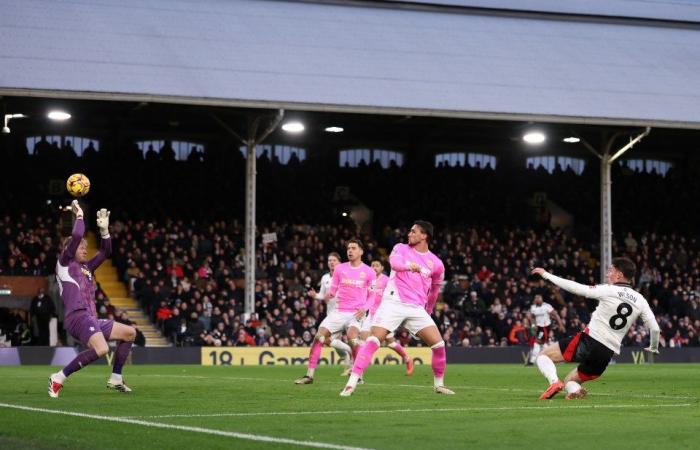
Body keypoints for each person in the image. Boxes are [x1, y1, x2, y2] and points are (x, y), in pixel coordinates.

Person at [340, 220, 453, 396]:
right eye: (410, 231)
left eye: (414, 231)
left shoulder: (436, 264)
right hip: (393, 302)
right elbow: (395, 264)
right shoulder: (400, 248)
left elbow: (435, 291)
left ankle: (439, 385)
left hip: (416, 308)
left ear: (424, 235)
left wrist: (428, 310)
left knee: (438, 344)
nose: (409, 234)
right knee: (374, 340)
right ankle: (352, 382)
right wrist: (410, 266)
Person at [531, 257, 660, 400]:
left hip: (590, 340)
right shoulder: (641, 299)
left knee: (543, 356)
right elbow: (655, 328)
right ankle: (575, 390)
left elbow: (576, 288)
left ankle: (554, 383)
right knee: (570, 380)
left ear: (619, 275)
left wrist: (546, 275)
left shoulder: (608, 290)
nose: (607, 274)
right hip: (607, 353)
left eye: (611, 270)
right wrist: (653, 347)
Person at [48, 200, 137, 398]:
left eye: (86, 247)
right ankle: (58, 377)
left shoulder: (87, 268)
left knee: (130, 333)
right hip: (77, 317)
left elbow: (106, 251)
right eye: (81, 247)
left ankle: (115, 377)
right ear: (70, 248)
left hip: (91, 318)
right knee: (102, 348)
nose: (85, 250)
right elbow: (78, 234)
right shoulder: (64, 263)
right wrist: (79, 215)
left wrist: (105, 232)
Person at [295, 240, 375, 384]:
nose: (350, 251)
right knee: (319, 337)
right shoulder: (340, 269)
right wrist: (319, 296)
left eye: (353, 248)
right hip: (338, 312)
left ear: (361, 251)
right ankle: (309, 376)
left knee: (352, 337)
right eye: (348, 248)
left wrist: (365, 308)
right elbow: (332, 292)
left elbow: (373, 296)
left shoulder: (369, 272)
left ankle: (358, 376)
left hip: (356, 313)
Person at [359, 259, 414, 375]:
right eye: (372, 265)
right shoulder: (368, 280)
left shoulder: (386, 281)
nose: (374, 267)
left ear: (382, 268)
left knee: (390, 343)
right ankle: (359, 374)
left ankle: (408, 359)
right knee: (363, 342)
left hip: (383, 316)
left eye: (377, 265)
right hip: (370, 315)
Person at [307, 252, 355, 375]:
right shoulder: (325, 278)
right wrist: (315, 296)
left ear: (339, 262)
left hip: (347, 313)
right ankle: (349, 358)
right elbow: (323, 295)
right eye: (329, 260)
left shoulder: (346, 275)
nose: (331, 262)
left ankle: (351, 356)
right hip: (332, 315)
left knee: (328, 339)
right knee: (330, 341)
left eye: (334, 260)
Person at [526, 294, 565, 365]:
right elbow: (532, 318)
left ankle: (532, 361)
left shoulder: (547, 306)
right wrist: (533, 326)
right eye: (536, 298)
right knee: (543, 344)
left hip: (545, 327)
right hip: (539, 327)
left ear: (542, 299)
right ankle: (555, 358)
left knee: (537, 342)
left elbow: (556, 315)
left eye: (538, 298)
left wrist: (561, 325)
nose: (537, 299)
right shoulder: (533, 308)